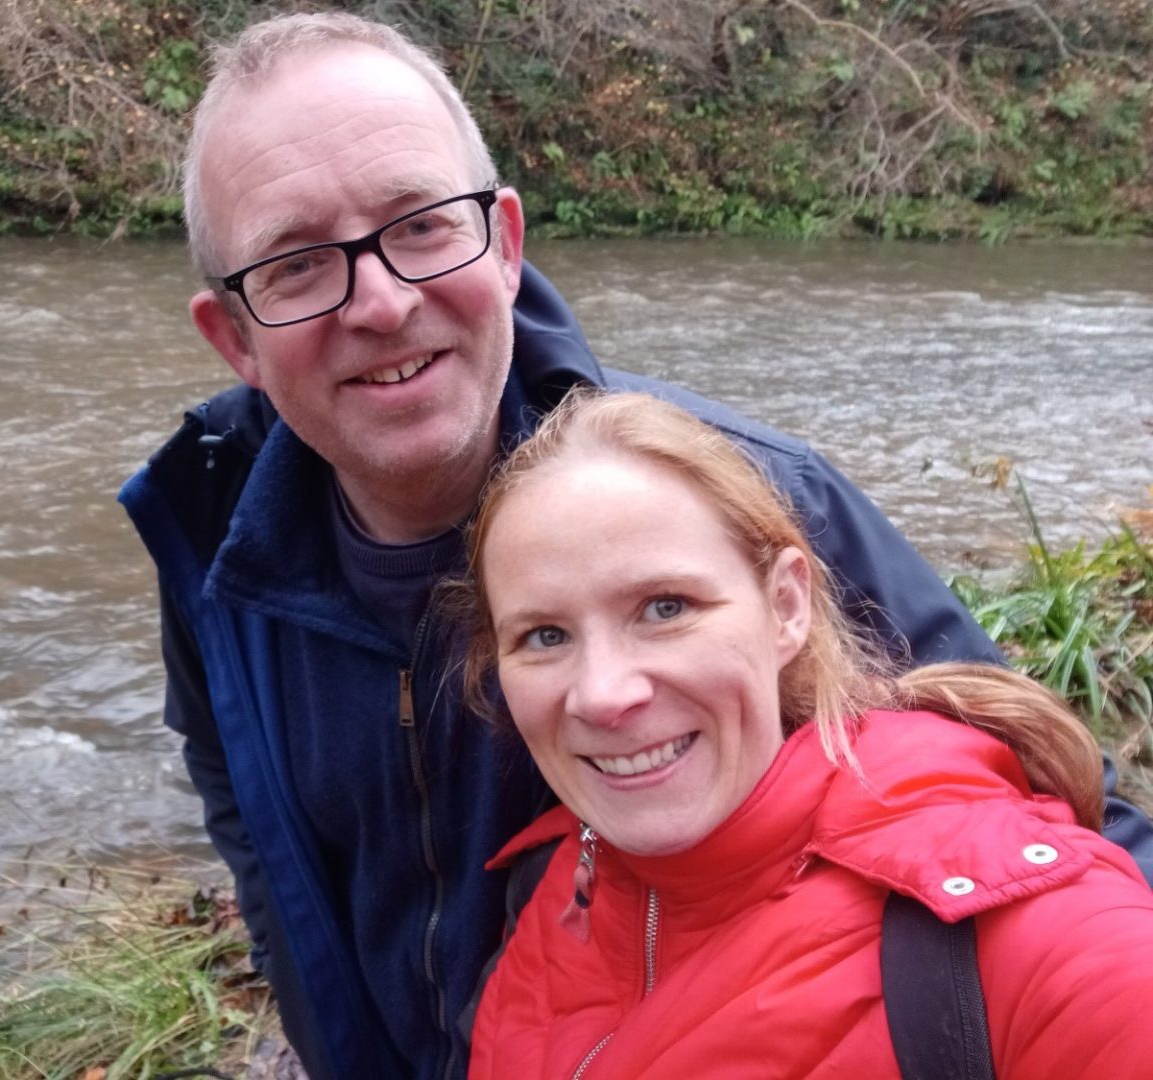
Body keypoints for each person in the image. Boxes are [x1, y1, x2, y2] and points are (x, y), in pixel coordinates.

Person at [117, 12, 1151, 1080]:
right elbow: (258, 843)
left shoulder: (728, 495)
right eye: (295, 265)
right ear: (232, 337)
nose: (381, 302)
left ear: (508, 244)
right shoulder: (208, 539)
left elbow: (1056, 827)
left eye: (423, 224)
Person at [462, 390, 1153, 1079]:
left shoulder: (1021, 938)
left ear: (786, 606)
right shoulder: (550, 889)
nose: (604, 695)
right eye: (544, 635)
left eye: (665, 607)